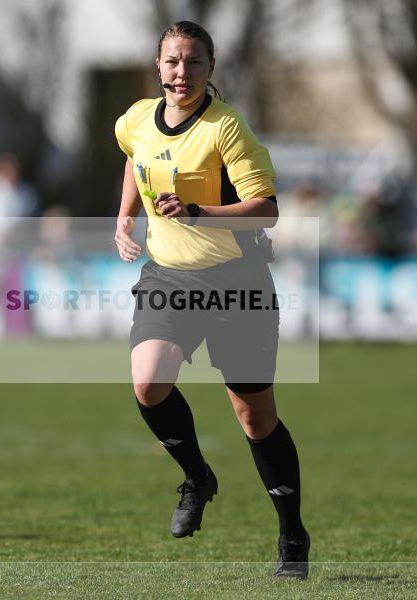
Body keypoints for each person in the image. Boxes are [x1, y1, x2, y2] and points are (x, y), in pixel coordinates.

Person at [113, 21, 311, 579]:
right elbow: (134, 156)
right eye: (173, 61)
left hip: (236, 282)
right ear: (158, 66)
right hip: (169, 279)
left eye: (194, 62)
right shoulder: (135, 118)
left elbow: (267, 209)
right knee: (149, 382)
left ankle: (292, 535)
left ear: (210, 68)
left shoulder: (226, 128)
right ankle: (197, 476)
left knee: (254, 416)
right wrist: (125, 216)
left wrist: (198, 212)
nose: (183, 72)